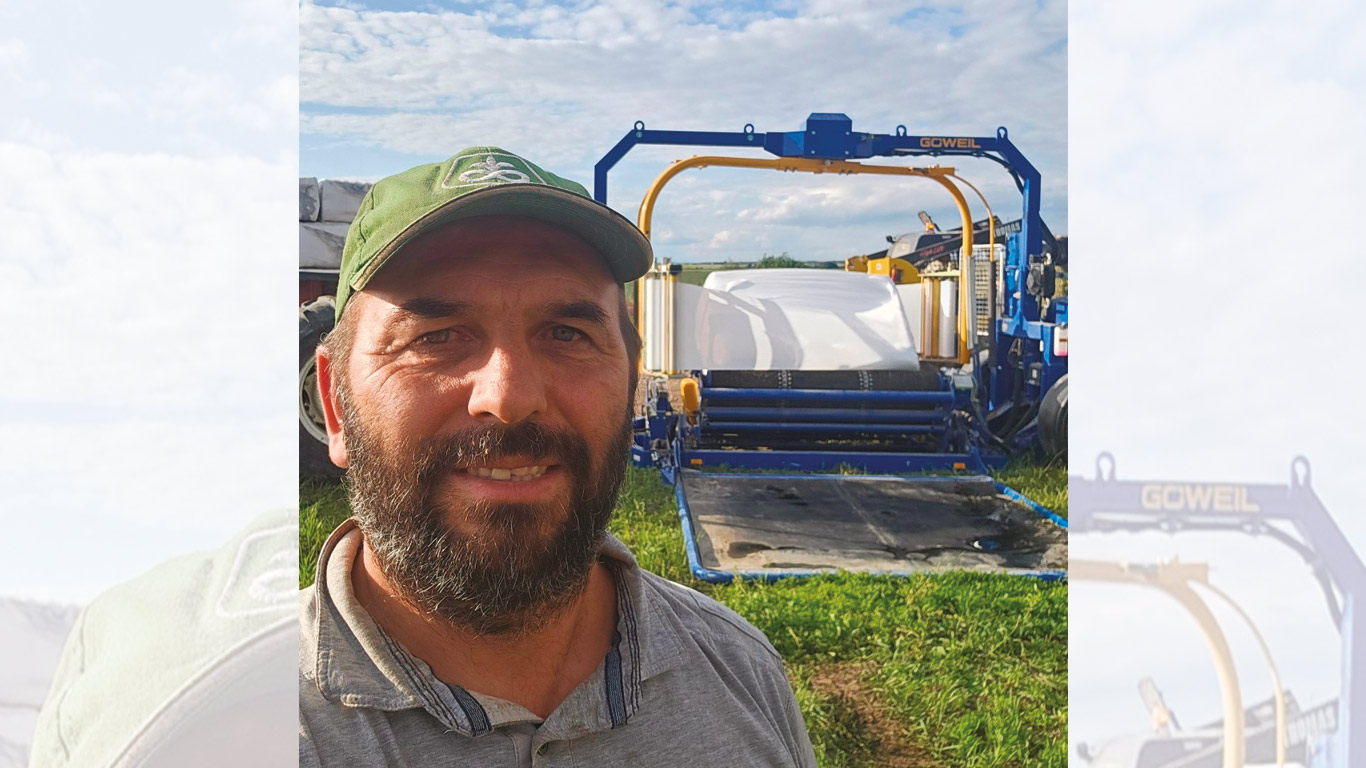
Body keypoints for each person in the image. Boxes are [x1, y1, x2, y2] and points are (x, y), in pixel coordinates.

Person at [299, 147, 818, 767]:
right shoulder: (227, 723)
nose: (509, 397)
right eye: (434, 338)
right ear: (335, 403)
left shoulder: (741, 672)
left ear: (629, 384)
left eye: (567, 334)